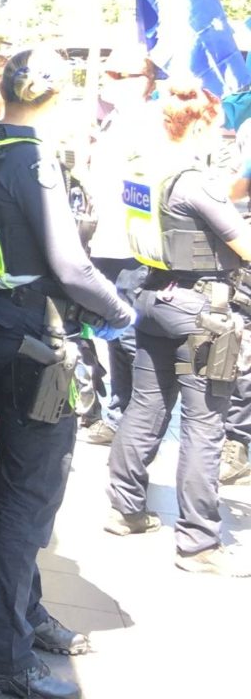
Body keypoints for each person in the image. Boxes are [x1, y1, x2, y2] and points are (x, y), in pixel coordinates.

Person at [0, 48, 133, 699]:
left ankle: (26, 614)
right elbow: (73, 264)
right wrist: (120, 313)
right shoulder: (31, 157)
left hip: (5, 319)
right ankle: (2, 657)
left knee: (27, 479)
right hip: (35, 334)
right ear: (57, 100)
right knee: (28, 491)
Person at [104, 83, 251, 575]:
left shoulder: (146, 170)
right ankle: (199, 543)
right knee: (206, 424)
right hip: (200, 310)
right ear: (202, 124)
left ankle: (125, 509)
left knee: (146, 406)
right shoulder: (194, 179)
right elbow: (243, 242)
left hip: (154, 295)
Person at [74, 47, 159, 445]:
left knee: (127, 336)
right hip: (105, 241)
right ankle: (108, 408)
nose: (107, 79)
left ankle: (126, 416)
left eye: (116, 73)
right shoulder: (113, 122)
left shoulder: (149, 124)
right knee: (103, 328)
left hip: (131, 246)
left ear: (142, 82)